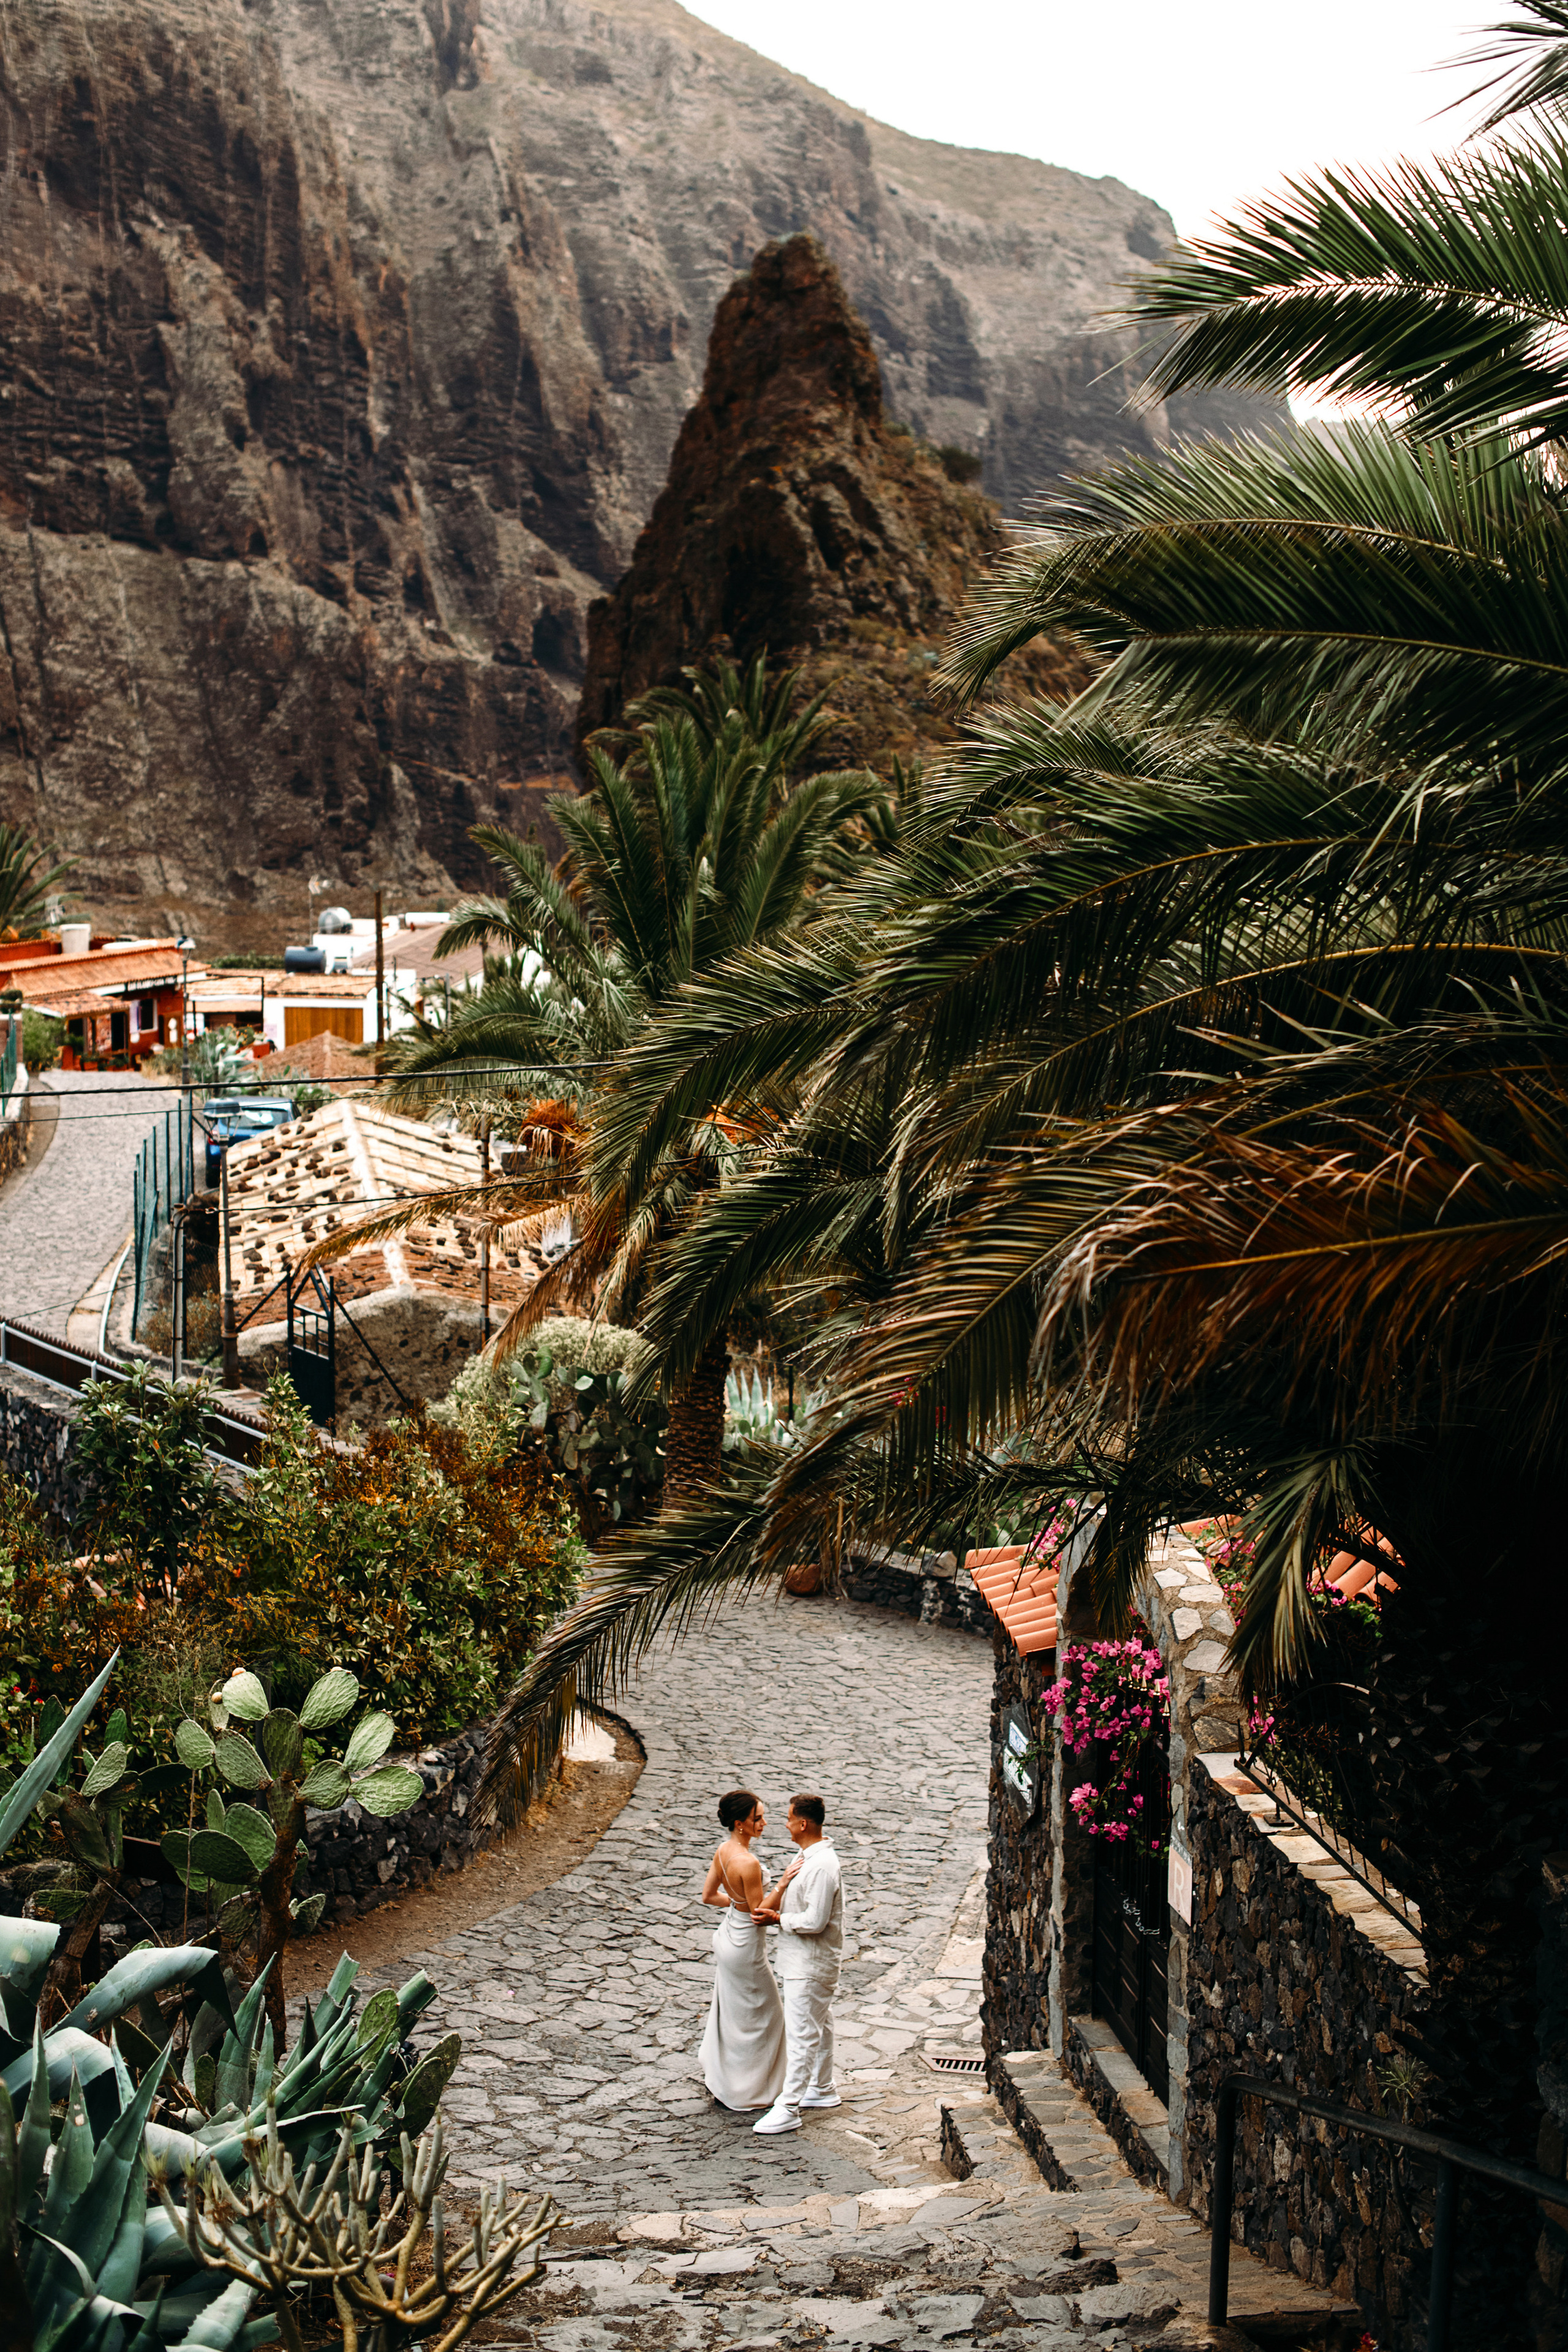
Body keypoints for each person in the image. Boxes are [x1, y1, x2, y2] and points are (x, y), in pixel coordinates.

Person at [750, 1792, 843, 2135]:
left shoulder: (821, 1865)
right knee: (821, 2023)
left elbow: (815, 1920)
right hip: (805, 1961)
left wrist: (778, 1919)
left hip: (811, 1963)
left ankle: (788, 2106)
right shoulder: (809, 1857)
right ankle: (821, 2088)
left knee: (802, 2034)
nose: (785, 1825)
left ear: (803, 1823)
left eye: (789, 1819)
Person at [698, 1788, 786, 2111]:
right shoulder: (748, 1863)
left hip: (727, 1938)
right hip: (746, 1949)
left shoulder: (724, 1850)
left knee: (735, 2014)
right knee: (768, 2017)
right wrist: (783, 1883)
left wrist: (737, 1905)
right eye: (758, 1818)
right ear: (740, 1823)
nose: (764, 1823)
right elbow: (760, 1915)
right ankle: (751, 2090)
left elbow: (709, 1896)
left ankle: (728, 2078)